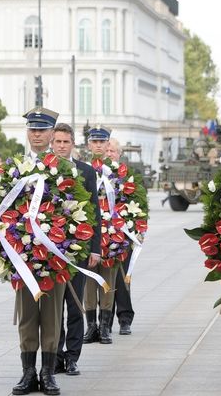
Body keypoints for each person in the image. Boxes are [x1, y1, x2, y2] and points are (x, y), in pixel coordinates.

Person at [12, 107, 98, 396]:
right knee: (27, 316)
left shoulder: (64, 171)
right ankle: (27, 373)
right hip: (25, 256)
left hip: (56, 256)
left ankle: (48, 373)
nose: (37, 134)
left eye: (42, 130)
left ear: (51, 135)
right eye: (32, 130)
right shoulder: (16, 168)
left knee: (51, 315)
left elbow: (81, 212)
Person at [51, 123, 102, 377]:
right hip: (50, 250)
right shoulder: (45, 171)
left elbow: (95, 212)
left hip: (78, 249)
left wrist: (95, 248)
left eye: (66, 142)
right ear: (52, 143)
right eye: (58, 142)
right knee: (53, 308)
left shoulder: (86, 172)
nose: (61, 146)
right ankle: (55, 356)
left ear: (73, 144)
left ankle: (72, 357)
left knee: (74, 304)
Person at [81, 125, 120, 346]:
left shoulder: (118, 172)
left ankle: (105, 326)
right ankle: (91, 326)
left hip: (112, 233)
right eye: (94, 142)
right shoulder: (83, 170)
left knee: (108, 280)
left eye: (101, 142)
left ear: (108, 144)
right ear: (89, 145)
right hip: (91, 232)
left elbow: (126, 202)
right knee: (88, 280)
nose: (97, 145)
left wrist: (121, 231)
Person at [105, 139, 135, 336]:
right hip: (102, 236)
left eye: (113, 151)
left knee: (123, 279)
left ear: (119, 154)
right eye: (106, 150)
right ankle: (104, 321)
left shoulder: (127, 176)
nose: (109, 153)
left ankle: (125, 319)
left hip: (123, 235)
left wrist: (137, 230)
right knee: (104, 279)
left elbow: (138, 204)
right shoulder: (96, 173)